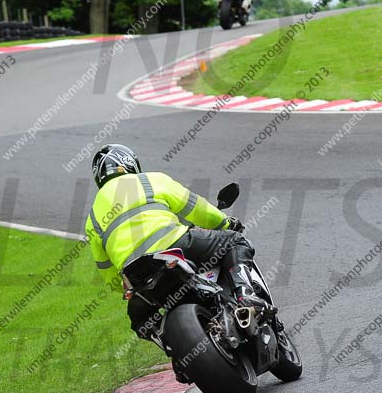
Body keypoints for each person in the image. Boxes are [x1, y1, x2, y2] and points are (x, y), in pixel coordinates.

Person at [85, 144, 269, 338]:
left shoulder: (92, 218)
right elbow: (196, 208)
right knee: (236, 242)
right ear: (130, 164)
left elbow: (107, 271)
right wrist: (225, 223)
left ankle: (170, 340)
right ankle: (245, 297)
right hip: (174, 245)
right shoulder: (148, 180)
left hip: (135, 274)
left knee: (143, 323)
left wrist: (125, 286)